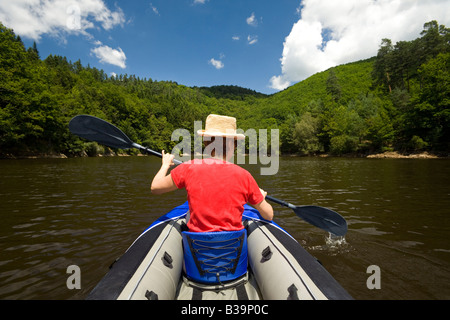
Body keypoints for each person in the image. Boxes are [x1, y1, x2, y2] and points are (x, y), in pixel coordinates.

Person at [151, 114, 273, 232]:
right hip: (234, 248)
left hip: (196, 248)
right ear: (234, 145)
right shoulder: (245, 176)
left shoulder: (188, 167)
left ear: (206, 143)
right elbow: (269, 215)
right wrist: (261, 198)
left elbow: (155, 188)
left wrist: (165, 165)